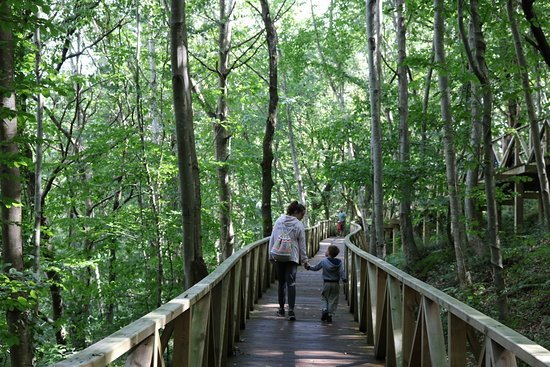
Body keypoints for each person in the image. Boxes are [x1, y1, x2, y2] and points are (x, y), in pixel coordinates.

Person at [269, 201, 309, 321]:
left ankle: (281, 309)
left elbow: (273, 237)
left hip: (279, 255)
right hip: (292, 256)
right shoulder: (298, 225)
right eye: (302, 214)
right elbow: (302, 244)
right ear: (296, 212)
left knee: (281, 283)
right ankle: (291, 310)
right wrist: (305, 260)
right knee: (291, 283)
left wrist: (270, 255)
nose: (302, 217)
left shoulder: (279, 221)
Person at [306, 244, 347, 323]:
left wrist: (308, 267)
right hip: (336, 284)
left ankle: (325, 309)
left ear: (329, 253)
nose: (326, 251)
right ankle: (330, 315)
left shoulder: (324, 261)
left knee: (324, 297)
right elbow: (342, 272)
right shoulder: (339, 262)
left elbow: (315, 268)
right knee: (333, 299)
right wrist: (344, 279)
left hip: (326, 283)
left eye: (327, 250)